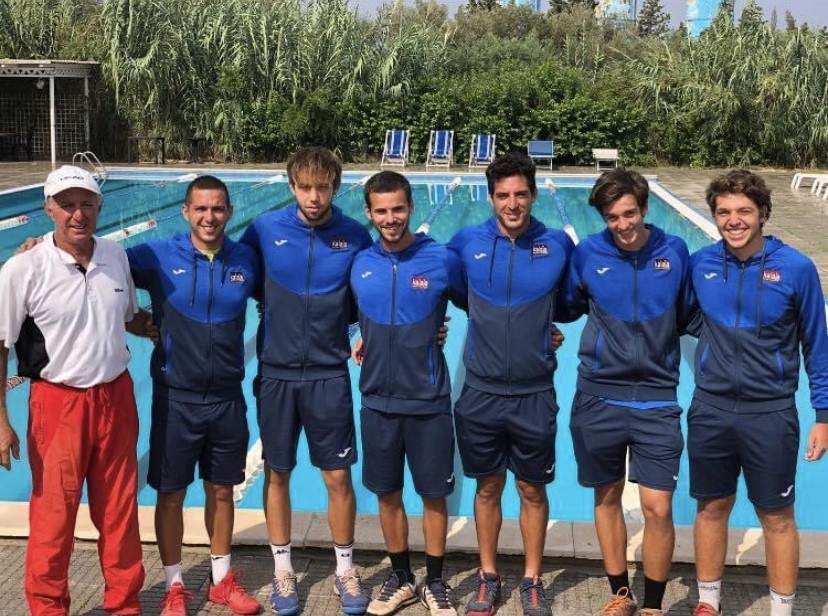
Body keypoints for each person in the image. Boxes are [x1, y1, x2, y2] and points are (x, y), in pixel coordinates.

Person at [0, 165, 146, 615]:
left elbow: (130, 318)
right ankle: (48, 607)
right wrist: (1, 421)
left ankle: (124, 605)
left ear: (99, 206)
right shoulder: (23, 268)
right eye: (67, 205)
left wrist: (182, 327)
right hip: (57, 403)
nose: (77, 214)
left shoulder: (115, 256)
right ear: (49, 209)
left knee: (119, 511)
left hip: (115, 397)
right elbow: (1, 345)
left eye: (86, 204)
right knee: (54, 516)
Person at [686, 170, 828, 616]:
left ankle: (781, 610)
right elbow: (677, 316)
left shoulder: (796, 269)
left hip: (770, 413)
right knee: (711, 507)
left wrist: (823, 415)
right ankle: (708, 602)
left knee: (777, 515)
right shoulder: (701, 264)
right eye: (724, 212)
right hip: (710, 407)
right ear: (714, 216)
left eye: (744, 211)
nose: (734, 220)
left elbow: (817, 344)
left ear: (763, 213)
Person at [240, 147, 373, 615]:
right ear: (291, 186)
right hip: (276, 372)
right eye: (305, 187)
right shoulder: (264, 230)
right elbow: (229, 273)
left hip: (328, 373)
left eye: (323, 188)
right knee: (277, 472)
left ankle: (345, 570)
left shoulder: (354, 235)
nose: (314, 197)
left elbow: (374, 287)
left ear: (335, 187)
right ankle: (282, 569)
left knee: (337, 475)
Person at [126, 175, 261, 615]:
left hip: (226, 398)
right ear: (185, 211)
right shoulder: (156, 255)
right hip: (176, 398)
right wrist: (133, 321)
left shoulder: (246, 259)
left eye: (218, 208)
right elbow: (98, 267)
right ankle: (174, 586)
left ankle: (221, 581)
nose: (209, 216)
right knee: (171, 494)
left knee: (222, 490)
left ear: (229, 212)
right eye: (200, 208)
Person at [446, 152, 574, 616]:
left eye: (521, 194)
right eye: (503, 195)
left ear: (534, 195)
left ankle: (532, 579)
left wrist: (542, 328)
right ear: (491, 197)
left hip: (534, 392)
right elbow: (455, 294)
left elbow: (571, 303)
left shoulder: (557, 245)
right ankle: (488, 575)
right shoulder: (466, 243)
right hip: (480, 390)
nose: (513, 203)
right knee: (487, 487)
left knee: (532, 490)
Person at [565, 168, 692, 616]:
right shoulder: (588, 252)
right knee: (607, 496)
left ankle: (653, 606)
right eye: (612, 217)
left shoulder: (674, 251)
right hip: (598, 394)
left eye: (629, 213)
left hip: (656, 396)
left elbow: (689, 313)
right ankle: (620, 594)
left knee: (658, 506)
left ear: (644, 208)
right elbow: (566, 304)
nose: (622, 225)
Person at [350, 171, 465, 616]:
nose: (390, 218)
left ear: (411, 206)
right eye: (381, 211)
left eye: (398, 208)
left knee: (433, 494)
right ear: (369, 212)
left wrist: (543, 329)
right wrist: (362, 338)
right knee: (387, 493)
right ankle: (400, 576)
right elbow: (340, 313)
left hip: (428, 398)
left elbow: (483, 303)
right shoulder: (360, 262)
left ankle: (434, 581)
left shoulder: (441, 259)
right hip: (377, 398)